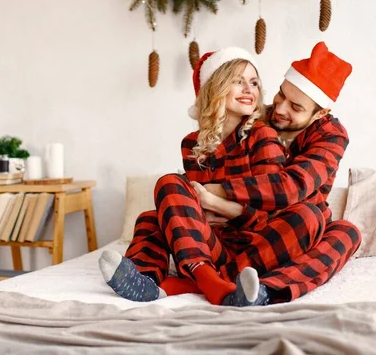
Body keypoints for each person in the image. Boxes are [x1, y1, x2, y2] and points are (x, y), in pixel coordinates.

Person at [99, 47, 327, 307]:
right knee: (160, 199)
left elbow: (267, 214)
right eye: (237, 81)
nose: (249, 89)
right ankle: (145, 280)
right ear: (215, 88)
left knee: (307, 217)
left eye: (254, 82)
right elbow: (195, 212)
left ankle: (201, 284)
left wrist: (212, 202)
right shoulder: (191, 145)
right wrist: (206, 208)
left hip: (256, 247)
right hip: (210, 244)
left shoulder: (262, 136)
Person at [200, 41, 362, 304]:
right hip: (241, 226)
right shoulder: (255, 117)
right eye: (281, 94)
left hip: (294, 230)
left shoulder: (331, 135)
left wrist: (217, 191)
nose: (281, 108)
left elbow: (293, 187)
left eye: (296, 107)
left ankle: (263, 290)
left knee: (346, 232)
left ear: (321, 113)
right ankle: (224, 279)